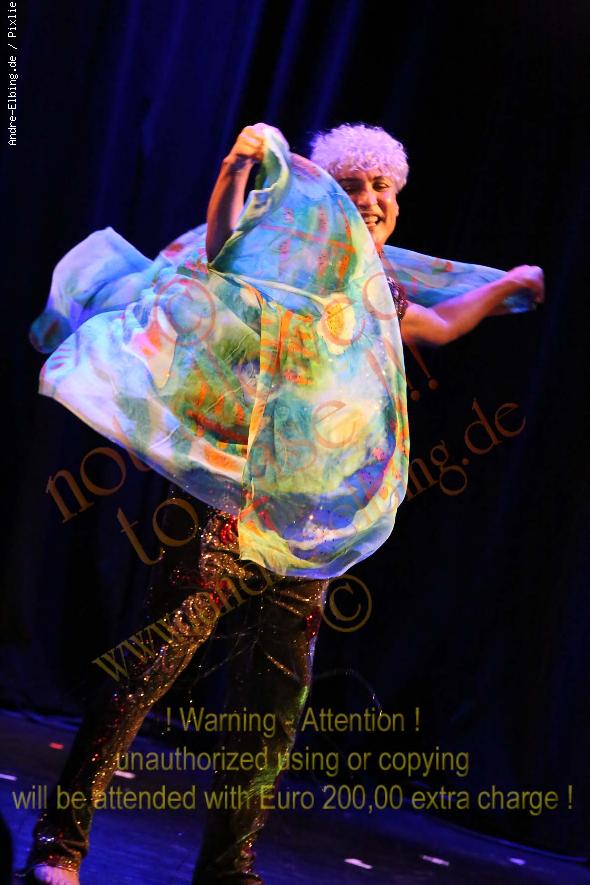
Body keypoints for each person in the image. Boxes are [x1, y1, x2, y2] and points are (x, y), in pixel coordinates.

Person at [21, 122, 543, 884]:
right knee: (153, 661)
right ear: (322, 197)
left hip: (308, 520)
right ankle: (60, 841)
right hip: (229, 499)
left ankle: (228, 867)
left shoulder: (377, 288)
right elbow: (221, 245)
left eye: (383, 187)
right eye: (353, 186)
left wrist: (505, 287)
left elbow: (433, 326)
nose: (370, 200)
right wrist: (237, 168)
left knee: (275, 696)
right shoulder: (285, 254)